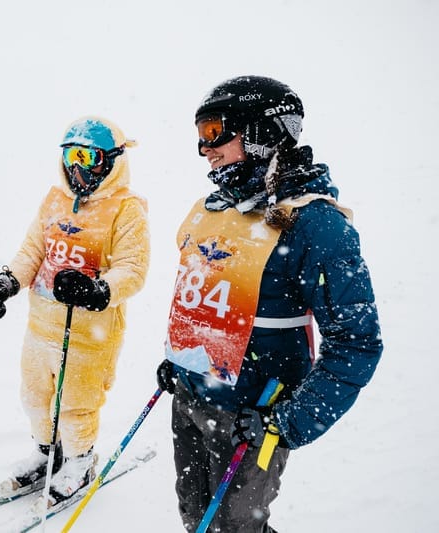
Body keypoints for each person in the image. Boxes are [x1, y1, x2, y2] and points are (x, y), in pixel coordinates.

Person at [155, 75, 383, 532]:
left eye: (216, 131)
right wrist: (179, 365)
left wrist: (286, 422)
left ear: (262, 134)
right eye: (201, 135)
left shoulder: (313, 224)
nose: (206, 149)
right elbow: (206, 303)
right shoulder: (213, 210)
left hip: (254, 415)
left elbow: (357, 342)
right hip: (191, 401)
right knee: (195, 518)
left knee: (237, 528)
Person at [0, 116, 150, 507]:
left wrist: (98, 289)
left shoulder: (126, 209)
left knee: (76, 402)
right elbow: (33, 252)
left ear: (111, 161)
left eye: (88, 157)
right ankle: (46, 451)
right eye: (71, 155)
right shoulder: (54, 200)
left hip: (90, 332)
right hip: (41, 324)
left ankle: (79, 459)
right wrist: (8, 281)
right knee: (36, 396)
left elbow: (133, 269)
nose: (78, 167)